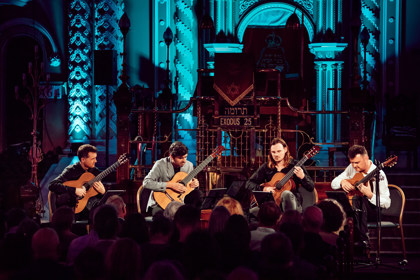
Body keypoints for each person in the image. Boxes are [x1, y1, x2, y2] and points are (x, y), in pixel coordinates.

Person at [331, 145, 390, 247]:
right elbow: (333, 183)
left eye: (357, 163)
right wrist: (342, 181)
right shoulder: (352, 168)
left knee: (359, 199)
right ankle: (339, 241)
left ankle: (362, 240)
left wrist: (370, 195)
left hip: (375, 211)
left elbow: (387, 203)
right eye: (352, 163)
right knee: (338, 197)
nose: (354, 166)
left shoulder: (380, 175)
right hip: (357, 210)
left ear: (366, 158)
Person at [246, 138, 314, 213]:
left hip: (292, 204)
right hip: (274, 204)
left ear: (285, 149)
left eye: (279, 151)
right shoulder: (267, 167)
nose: (276, 155)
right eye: (273, 152)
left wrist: (303, 177)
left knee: (286, 194)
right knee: (253, 211)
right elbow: (249, 184)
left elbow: (311, 187)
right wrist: (264, 189)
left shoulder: (295, 165)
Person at [49, 144, 106, 220]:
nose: (96, 161)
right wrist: (75, 190)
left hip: (89, 209)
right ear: (83, 159)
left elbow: (96, 197)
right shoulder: (71, 170)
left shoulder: (96, 172)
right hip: (72, 209)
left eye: (95, 158)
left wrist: (103, 192)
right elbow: (52, 185)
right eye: (92, 159)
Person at [142, 141, 200, 215]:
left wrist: (194, 185)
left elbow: (189, 188)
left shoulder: (189, 165)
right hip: (160, 203)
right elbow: (146, 183)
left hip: (180, 203)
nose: (184, 161)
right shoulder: (160, 164)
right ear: (172, 156)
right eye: (180, 158)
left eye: (185, 157)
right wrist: (170, 185)